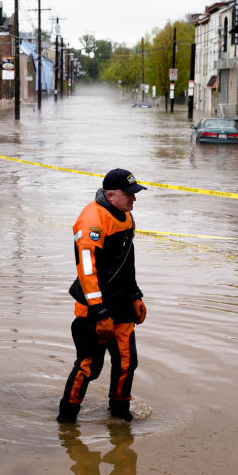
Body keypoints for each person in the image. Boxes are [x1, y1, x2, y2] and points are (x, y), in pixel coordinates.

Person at [57, 168, 147, 423]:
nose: (134, 199)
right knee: (89, 367)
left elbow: (126, 263)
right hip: (94, 309)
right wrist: (101, 312)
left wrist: (136, 295)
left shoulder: (126, 217)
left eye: (135, 193)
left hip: (122, 304)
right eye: (128, 194)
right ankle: (66, 421)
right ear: (110, 195)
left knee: (127, 363)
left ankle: (120, 417)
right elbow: (86, 271)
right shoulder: (91, 220)